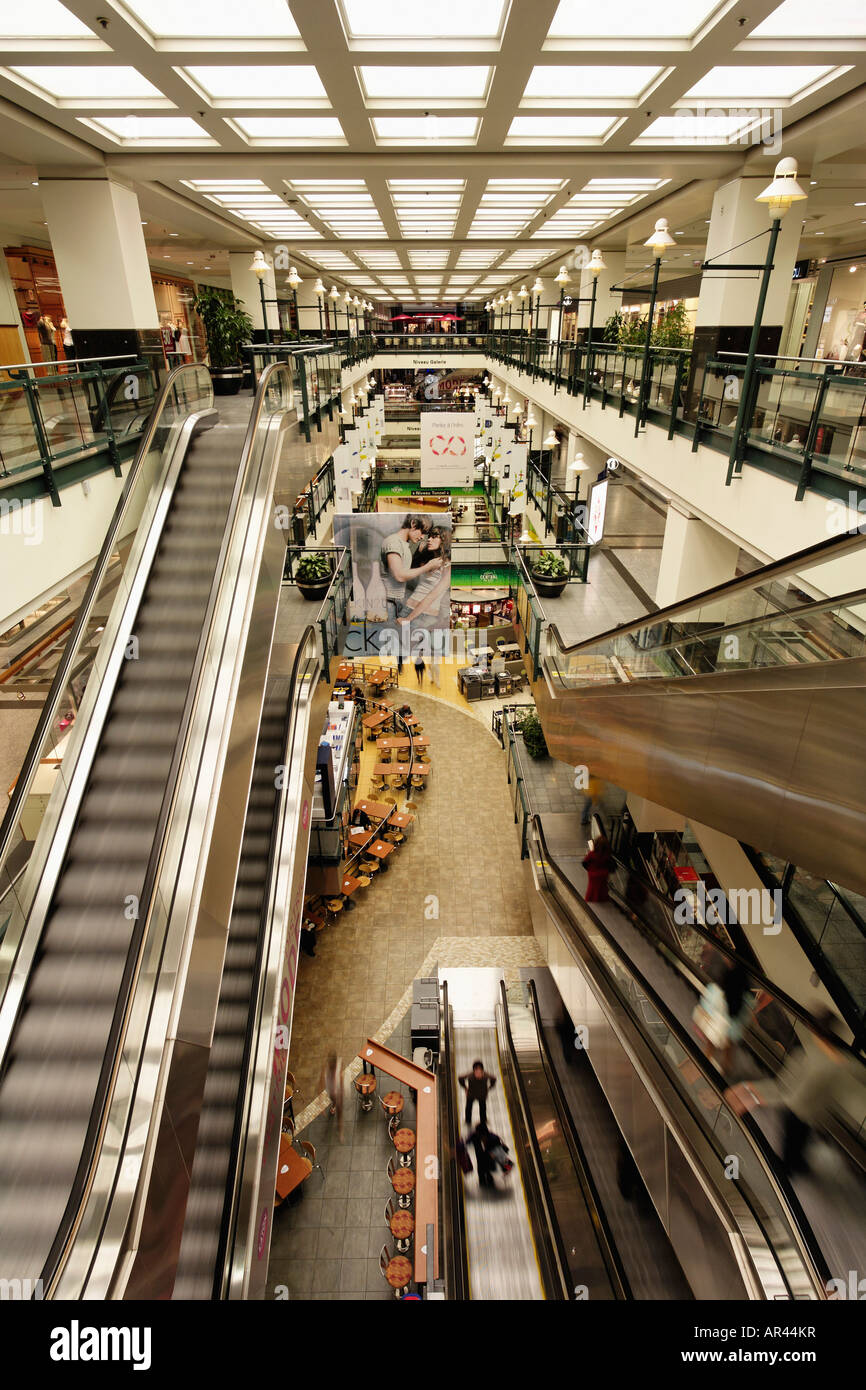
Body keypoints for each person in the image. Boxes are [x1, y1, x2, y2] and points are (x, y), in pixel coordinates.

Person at [725, 1009, 853, 1175]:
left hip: (798, 1109)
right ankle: (796, 1163)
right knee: (799, 1140)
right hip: (811, 1112)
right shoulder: (833, 1057)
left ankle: (786, 1169)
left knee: (791, 1140)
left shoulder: (813, 1056)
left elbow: (792, 1091)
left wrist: (764, 1097)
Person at [379, 515, 440, 627]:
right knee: (388, 640)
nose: (422, 537)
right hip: (390, 602)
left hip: (397, 601)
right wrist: (428, 566)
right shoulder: (394, 543)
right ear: (413, 524)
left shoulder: (404, 545)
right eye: (422, 532)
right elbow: (399, 576)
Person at [459, 1060, 497, 1130]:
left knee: (482, 1108)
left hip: (482, 1095)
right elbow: (460, 1078)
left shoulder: (485, 1075)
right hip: (471, 1094)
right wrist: (465, 1087)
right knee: (468, 1108)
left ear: (482, 1071)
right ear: (474, 1071)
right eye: (476, 1072)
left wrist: (490, 1087)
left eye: (480, 1072)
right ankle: (468, 1120)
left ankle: (483, 1120)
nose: (478, 1074)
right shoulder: (470, 1075)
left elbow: (494, 1079)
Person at [318, 1050, 344, 1143]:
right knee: (333, 1100)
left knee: (339, 1114)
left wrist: (341, 1092)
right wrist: (321, 1104)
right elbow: (320, 1085)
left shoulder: (339, 1065)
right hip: (331, 1092)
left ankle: (340, 1131)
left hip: (338, 1092)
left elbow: (341, 1080)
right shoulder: (325, 1069)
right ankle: (333, 1105)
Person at [582, 832, 612, 903]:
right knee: (602, 887)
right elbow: (609, 865)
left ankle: (591, 898)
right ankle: (602, 898)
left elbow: (584, 863)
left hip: (593, 873)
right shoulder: (607, 855)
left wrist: (589, 869)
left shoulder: (592, 854)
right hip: (603, 874)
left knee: (592, 887)